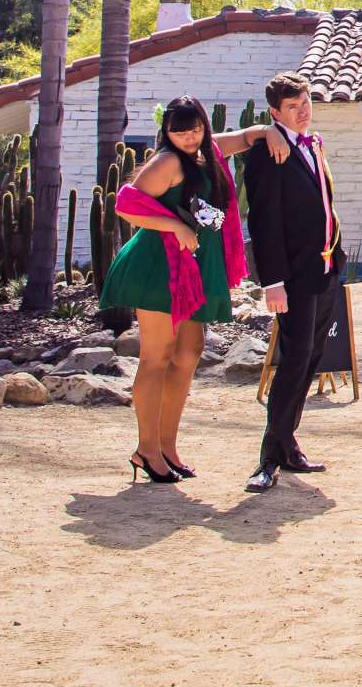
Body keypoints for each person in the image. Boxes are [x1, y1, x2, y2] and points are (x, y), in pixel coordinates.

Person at [100, 96, 271, 483]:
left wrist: (269, 131)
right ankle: (146, 449)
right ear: (167, 132)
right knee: (156, 356)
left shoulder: (206, 150)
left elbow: (243, 137)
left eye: (195, 128)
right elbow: (127, 205)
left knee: (189, 352)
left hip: (194, 268)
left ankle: (167, 445)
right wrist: (175, 226)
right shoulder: (168, 162)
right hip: (161, 266)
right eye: (180, 130)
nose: (189, 137)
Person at [238, 71, 345, 494]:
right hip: (293, 276)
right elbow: (263, 221)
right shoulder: (269, 152)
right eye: (293, 108)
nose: (302, 113)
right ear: (274, 113)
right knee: (294, 358)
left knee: (312, 356)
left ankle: (287, 443)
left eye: (305, 104)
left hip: (324, 267)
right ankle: (269, 456)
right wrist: (273, 281)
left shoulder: (312, 144)